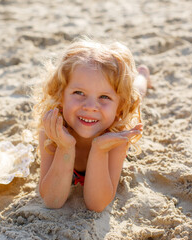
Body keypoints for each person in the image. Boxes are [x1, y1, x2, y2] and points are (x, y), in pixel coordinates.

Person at [34, 38, 151, 212]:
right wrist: (65, 147)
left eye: (104, 97)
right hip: (65, 139)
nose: (90, 107)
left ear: (119, 107)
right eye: (79, 92)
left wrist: (100, 150)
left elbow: (96, 204)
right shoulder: (53, 130)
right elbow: (52, 201)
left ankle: (142, 75)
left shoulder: (118, 134)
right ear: (61, 95)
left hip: (121, 111)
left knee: (137, 91)